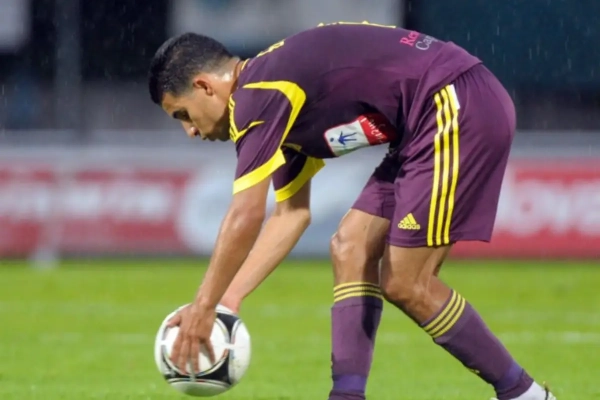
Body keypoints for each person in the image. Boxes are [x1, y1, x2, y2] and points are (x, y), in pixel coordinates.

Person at [148, 22, 555, 400]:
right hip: (425, 122)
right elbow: (290, 215)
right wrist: (227, 302)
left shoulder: (257, 96)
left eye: (182, 114)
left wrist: (204, 306)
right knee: (351, 246)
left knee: (407, 283)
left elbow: (246, 214)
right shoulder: (273, 101)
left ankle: (526, 395)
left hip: (453, 102)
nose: (190, 131)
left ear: (204, 86)